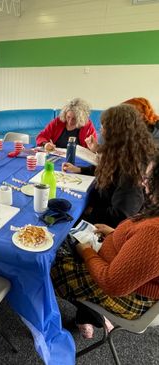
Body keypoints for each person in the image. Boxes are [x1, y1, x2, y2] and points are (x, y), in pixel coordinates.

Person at [51, 151, 159, 338]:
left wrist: (87, 253)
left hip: (129, 294)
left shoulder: (154, 232)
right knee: (62, 243)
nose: (143, 182)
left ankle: (48, 326)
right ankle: (89, 314)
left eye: (148, 178)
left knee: (47, 265)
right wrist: (117, 235)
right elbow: (141, 247)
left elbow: (112, 284)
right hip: (121, 270)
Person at [63, 104, 156, 228]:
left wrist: (88, 210)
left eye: (104, 127)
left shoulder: (131, 169)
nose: (101, 131)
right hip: (102, 208)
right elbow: (109, 170)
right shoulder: (123, 151)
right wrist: (79, 169)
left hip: (108, 225)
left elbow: (120, 216)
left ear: (116, 134)